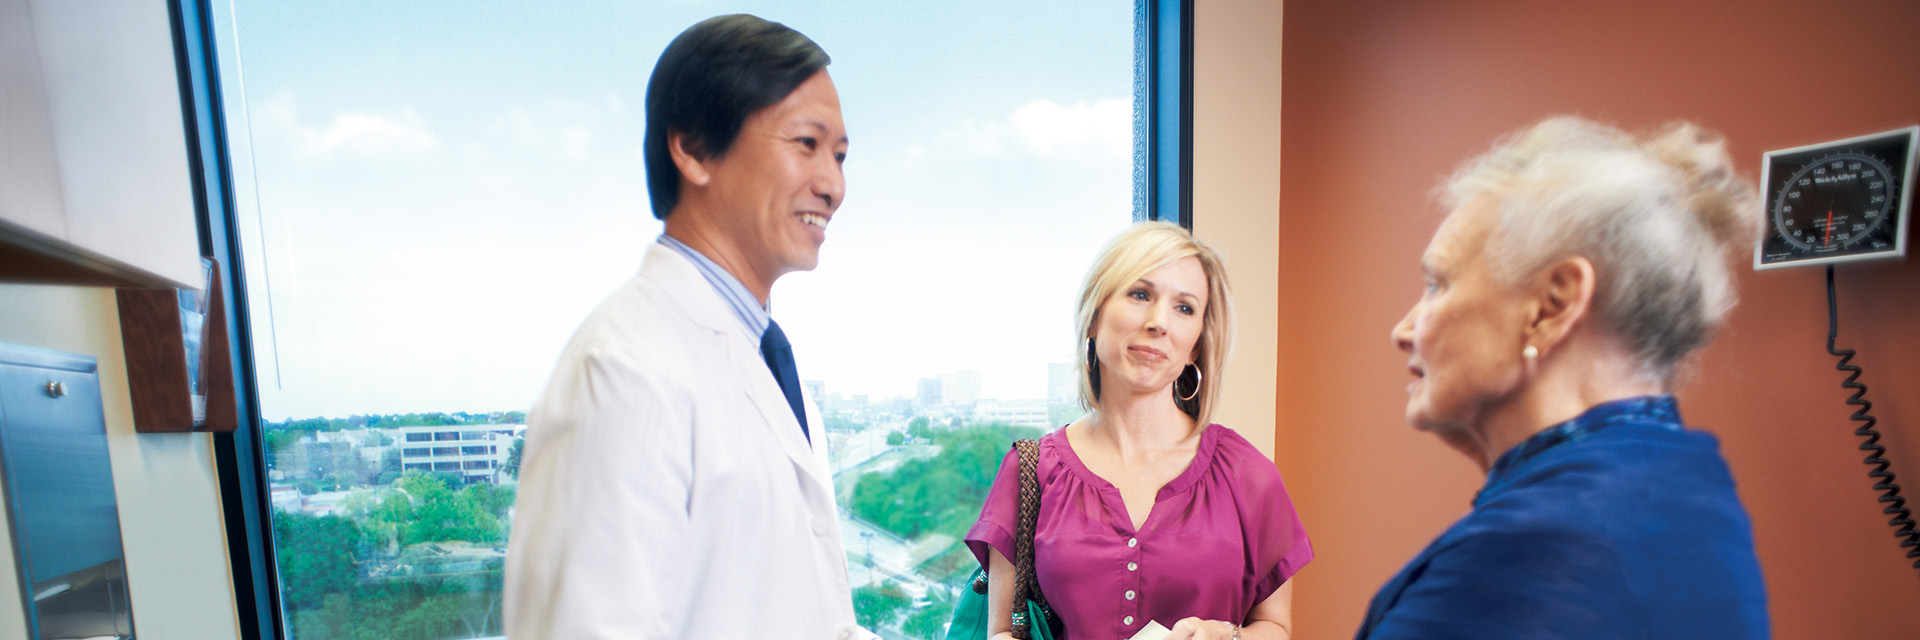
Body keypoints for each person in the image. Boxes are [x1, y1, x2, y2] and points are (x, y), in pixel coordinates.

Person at [504, 14, 873, 640]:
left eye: (839, 156)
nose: (834, 185)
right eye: (806, 145)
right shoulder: (624, 370)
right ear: (695, 147)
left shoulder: (762, 360)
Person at [1359, 117, 1769, 639]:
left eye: (1438, 284)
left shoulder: (1528, 557)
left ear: (1551, 307)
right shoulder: (1692, 494)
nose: (1404, 330)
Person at [967, 222, 1313, 640]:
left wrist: (1230, 638)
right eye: (1140, 294)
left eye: (1184, 308)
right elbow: (1002, 631)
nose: (1158, 322)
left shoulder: (1249, 476)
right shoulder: (1030, 470)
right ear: (1093, 316)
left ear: (1197, 345)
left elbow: (1276, 627)